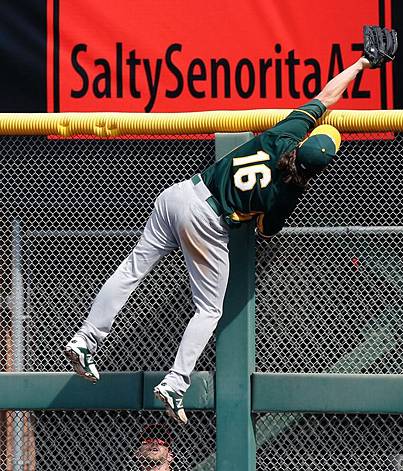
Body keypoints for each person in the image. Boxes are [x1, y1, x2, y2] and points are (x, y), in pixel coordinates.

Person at [64, 47, 381, 424]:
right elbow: (265, 231)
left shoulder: (282, 136)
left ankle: (85, 339)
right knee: (210, 309)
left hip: (180, 194)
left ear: (302, 143)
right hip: (207, 224)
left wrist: (362, 64)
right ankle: (176, 381)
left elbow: (326, 97)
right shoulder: (287, 193)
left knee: (132, 270)